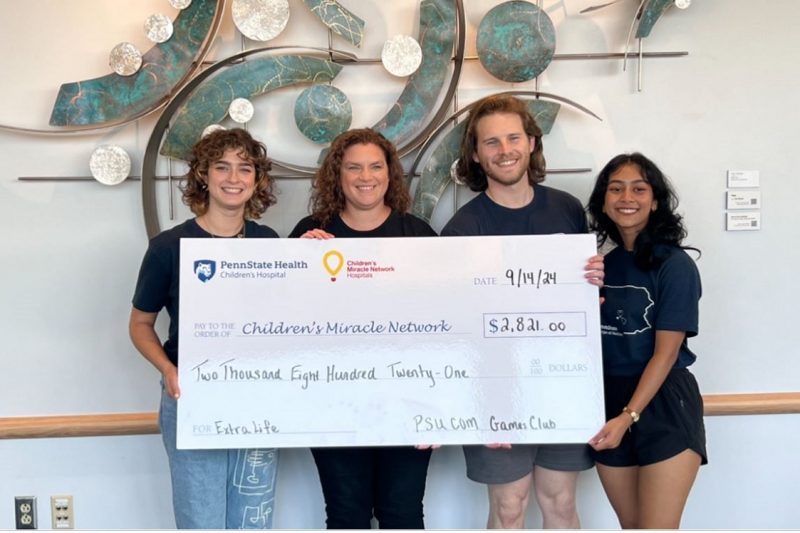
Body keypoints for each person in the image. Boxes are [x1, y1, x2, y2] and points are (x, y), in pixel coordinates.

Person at [441, 94, 603, 529]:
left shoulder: (567, 209)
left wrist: (591, 287)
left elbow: (578, 296)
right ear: (476, 154)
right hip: (497, 391)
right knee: (509, 508)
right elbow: (455, 323)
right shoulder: (463, 229)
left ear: (532, 143)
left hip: (562, 383)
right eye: (491, 142)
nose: (504, 149)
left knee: (562, 505)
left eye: (514, 137)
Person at [129, 128, 280, 529]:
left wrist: (318, 257)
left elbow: (291, 319)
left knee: (253, 519)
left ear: (256, 179)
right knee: (202, 520)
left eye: (244, 168)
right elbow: (140, 324)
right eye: (222, 167)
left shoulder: (271, 243)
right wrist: (168, 370)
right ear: (203, 176)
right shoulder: (168, 247)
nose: (234, 178)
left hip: (256, 394)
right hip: (191, 395)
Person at [289, 128, 436, 529]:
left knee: (402, 514)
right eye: (353, 167)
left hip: (408, 402)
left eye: (375, 166)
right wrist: (296, 264)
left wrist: (446, 409)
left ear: (390, 174)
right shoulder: (311, 232)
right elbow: (284, 321)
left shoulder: (417, 234)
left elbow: (447, 327)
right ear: (337, 175)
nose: (365, 176)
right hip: (333, 403)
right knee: (345, 514)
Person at [587, 153, 707, 529]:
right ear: (604, 201)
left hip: (663, 402)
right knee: (632, 526)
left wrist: (629, 416)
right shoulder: (599, 266)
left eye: (639, 189)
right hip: (610, 397)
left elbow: (666, 353)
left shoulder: (675, 266)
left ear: (655, 200)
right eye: (616, 188)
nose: (627, 197)